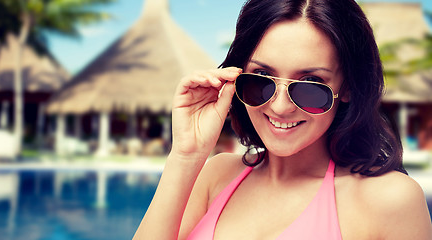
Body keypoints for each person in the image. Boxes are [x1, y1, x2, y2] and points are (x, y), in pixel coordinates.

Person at [134, 0, 432, 239]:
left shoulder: (389, 200)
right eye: (262, 77)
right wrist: (185, 155)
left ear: (348, 88)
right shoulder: (216, 175)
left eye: (311, 82)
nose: (279, 106)